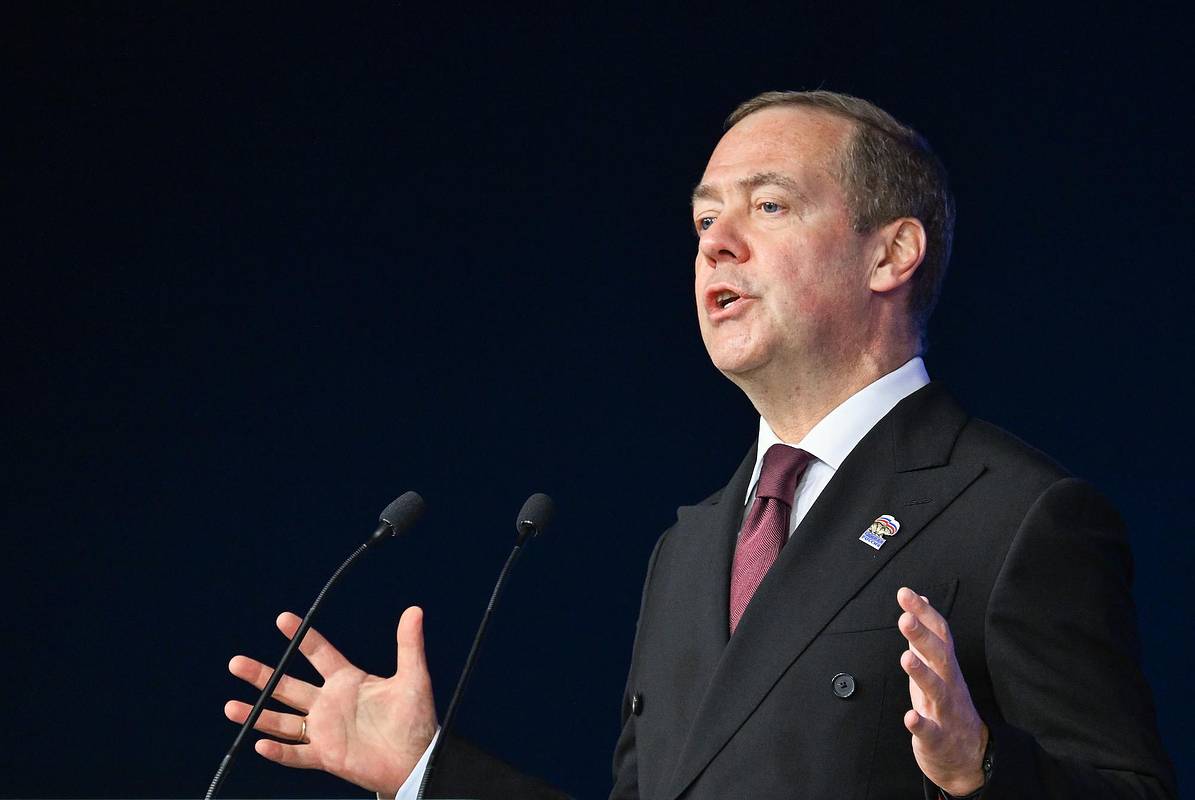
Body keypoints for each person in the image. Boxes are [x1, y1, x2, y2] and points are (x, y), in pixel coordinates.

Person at [223, 90, 1177, 799]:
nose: (715, 242)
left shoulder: (1015, 515)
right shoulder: (688, 551)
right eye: (703, 218)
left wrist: (982, 769)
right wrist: (425, 773)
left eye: (768, 205)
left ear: (890, 253)